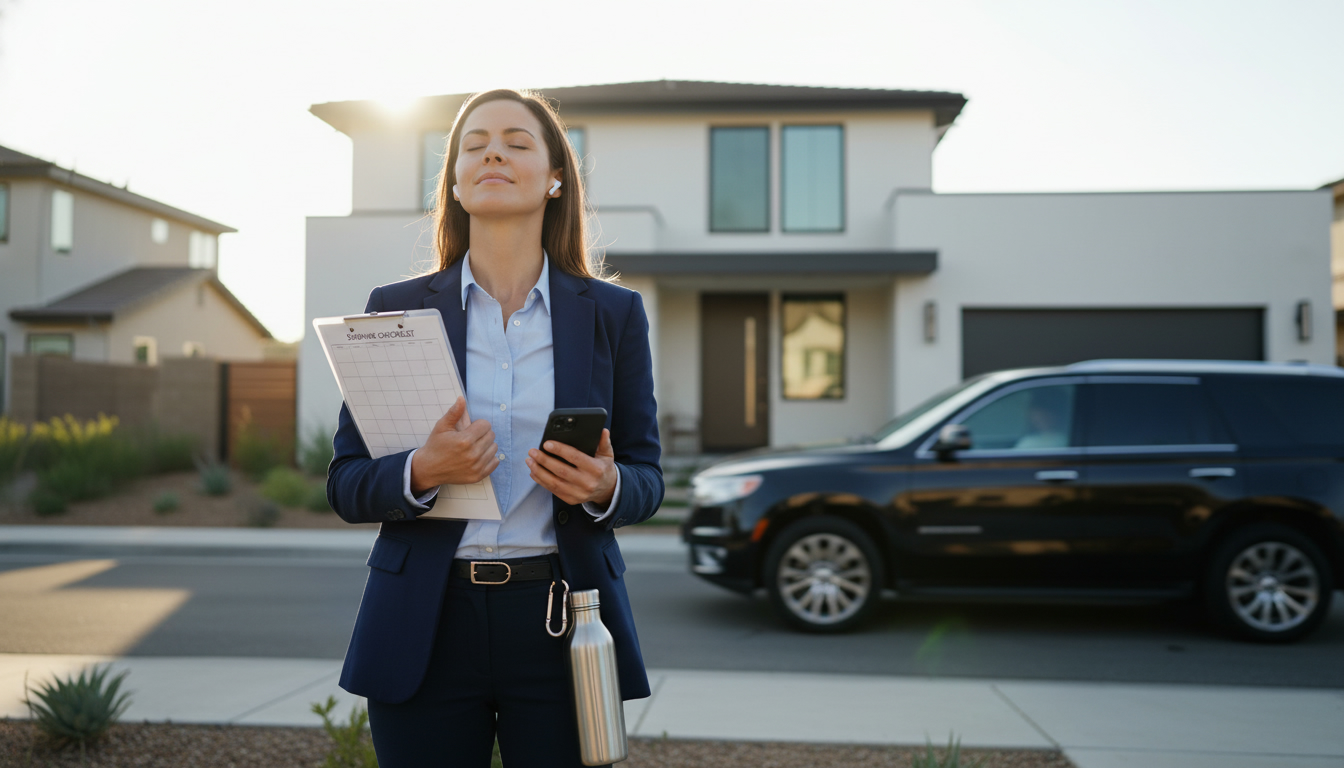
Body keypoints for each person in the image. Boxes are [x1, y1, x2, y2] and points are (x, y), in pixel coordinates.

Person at [326, 88, 664, 768]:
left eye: (515, 142)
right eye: (473, 145)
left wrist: (604, 486)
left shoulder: (613, 314)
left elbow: (647, 477)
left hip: (561, 618)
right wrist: (422, 472)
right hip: (425, 620)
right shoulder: (393, 310)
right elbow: (346, 482)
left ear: (556, 176)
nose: (493, 154)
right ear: (453, 182)